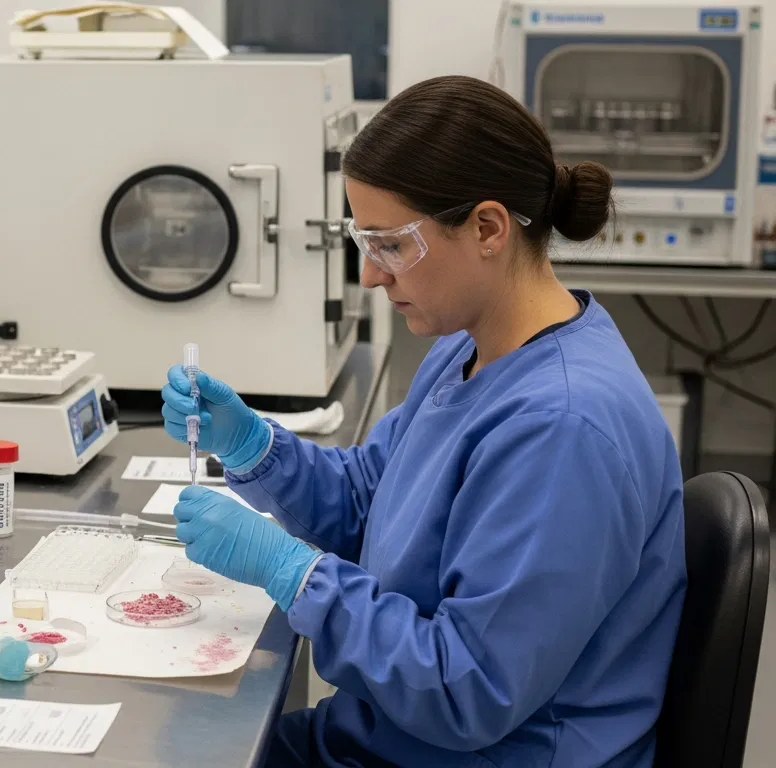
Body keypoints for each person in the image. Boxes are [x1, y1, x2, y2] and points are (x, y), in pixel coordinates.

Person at [162, 75, 686, 767]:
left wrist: (293, 573)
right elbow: (369, 503)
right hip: (392, 741)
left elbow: (466, 689)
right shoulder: (470, 350)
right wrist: (255, 447)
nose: (372, 276)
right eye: (364, 241)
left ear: (488, 228)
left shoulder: (563, 427)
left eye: (392, 245)